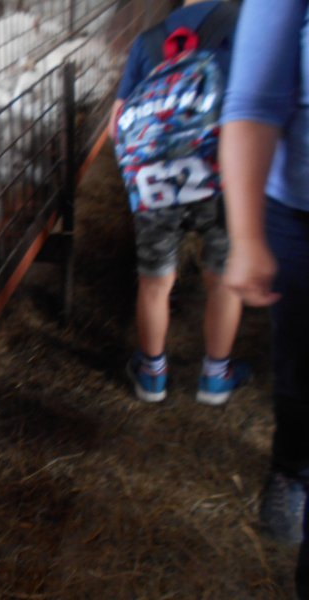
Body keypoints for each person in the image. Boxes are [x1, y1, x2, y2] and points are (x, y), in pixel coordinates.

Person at [110, 0, 248, 405]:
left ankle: (152, 376)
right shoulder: (245, 27)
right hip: (221, 176)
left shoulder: (148, 40)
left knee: (155, 282)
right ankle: (215, 378)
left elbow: (117, 124)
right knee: (223, 278)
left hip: (157, 183)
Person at [219, 0, 309, 594]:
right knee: (301, 367)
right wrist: (247, 237)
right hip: (300, 213)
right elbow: (253, 97)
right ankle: (292, 465)